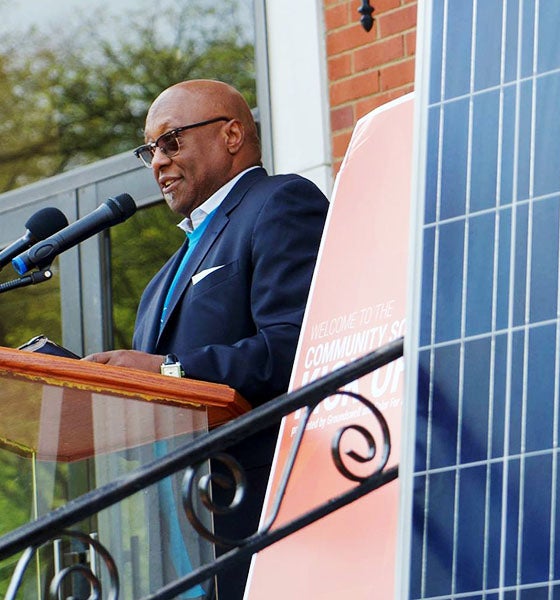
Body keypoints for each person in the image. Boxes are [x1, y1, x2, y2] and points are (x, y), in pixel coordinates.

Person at [84, 79, 329, 599]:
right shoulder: (158, 287)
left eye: (170, 141)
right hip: (178, 542)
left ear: (232, 134)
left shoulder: (278, 203)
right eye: (148, 150)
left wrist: (167, 371)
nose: (156, 162)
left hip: (258, 517)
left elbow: (294, 348)